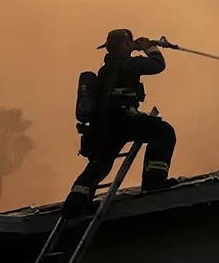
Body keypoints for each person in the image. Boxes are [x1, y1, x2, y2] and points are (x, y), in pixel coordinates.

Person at [62, 29, 177, 219]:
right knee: (163, 132)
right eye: (129, 42)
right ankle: (154, 181)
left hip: (104, 126)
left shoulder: (104, 69)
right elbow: (158, 65)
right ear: (125, 45)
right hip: (125, 120)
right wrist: (150, 47)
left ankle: (76, 201)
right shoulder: (131, 64)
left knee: (100, 164)